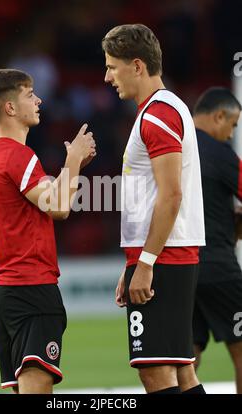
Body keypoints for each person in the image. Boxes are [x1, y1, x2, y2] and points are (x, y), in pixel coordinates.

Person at [0, 69, 96, 394]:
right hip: (32, 287)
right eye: (30, 94)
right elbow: (58, 207)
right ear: (11, 108)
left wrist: (73, 169)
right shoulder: (20, 156)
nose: (39, 100)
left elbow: (40, 200)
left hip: (4, 291)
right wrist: (72, 160)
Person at [102, 23, 206, 394]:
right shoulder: (164, 108)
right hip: (166, 252)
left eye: (112, 66)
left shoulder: (157, 115)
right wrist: (134, 260)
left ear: (137, 65)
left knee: (155, 371)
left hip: (166, 256)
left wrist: (145, 262)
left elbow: (171, 195)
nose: (107, 76)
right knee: (180, 371)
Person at [192, 87, 242, 394]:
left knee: (186, 356)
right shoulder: (220, 153)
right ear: (219, 116)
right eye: (233, 125)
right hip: (219, 267)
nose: (231, 133)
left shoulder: (175, 146)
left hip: (180, 267)